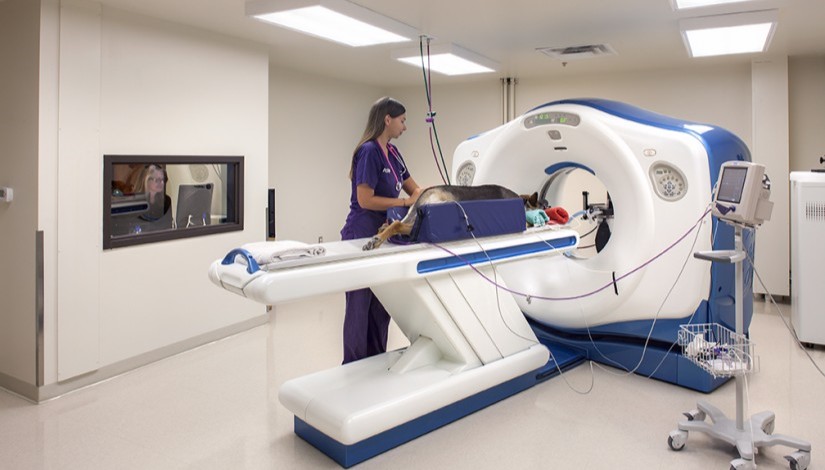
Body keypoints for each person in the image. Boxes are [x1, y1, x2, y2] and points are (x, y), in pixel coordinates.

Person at [340, 97, 423, 364]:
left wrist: (438, 196)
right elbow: (365, 199)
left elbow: (415, 190)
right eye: (402, 120)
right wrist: (402, 203)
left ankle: (374, 363)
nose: (405, 127)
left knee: (381, 305)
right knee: (359, 306)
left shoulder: (395, 154)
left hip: (384, 235)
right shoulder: (368, 152)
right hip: (360, 234)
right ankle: (352, 366)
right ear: (387, 119)